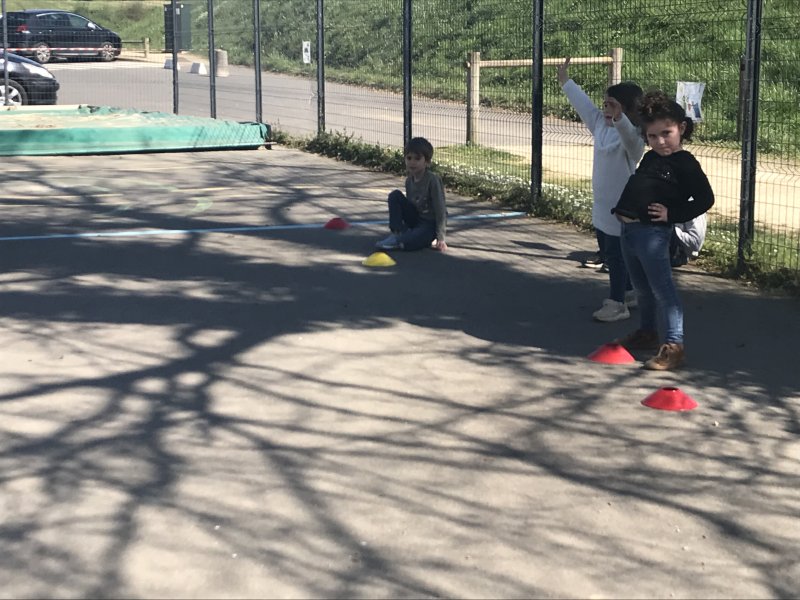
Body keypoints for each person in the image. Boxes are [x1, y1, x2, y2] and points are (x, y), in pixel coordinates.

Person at [612, 90, 715, 370]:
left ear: (681, 128)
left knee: (663, 291)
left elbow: (705, 199)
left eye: (666, 133)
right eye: (652, 136)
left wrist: (673, 214)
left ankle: (674, 345)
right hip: (629, 233)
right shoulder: (651, 157)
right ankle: (647, 332)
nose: (660, 141)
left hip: (653, 235)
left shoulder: (685, 163)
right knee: (642, 290)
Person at [557, 58, 644, 322]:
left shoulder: (633, 137)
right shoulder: (599, 126)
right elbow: (583, 104)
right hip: (601, 207)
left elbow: (632, 142)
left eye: (614, 105)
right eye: (605, 104)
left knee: (616, 258)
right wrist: (566, 81)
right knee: (609, 252)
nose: (606, 109)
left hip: (622, 210)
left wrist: (619, 119)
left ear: (627, 111)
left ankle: (617, 304)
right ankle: (629, 291)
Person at [375, 137, 448, 252]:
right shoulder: (409, 181)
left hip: (429, 224)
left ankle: (410, 239)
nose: (412, 162)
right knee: (395, 195)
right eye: (409, 158)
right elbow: (411, 207)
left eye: (417, 159)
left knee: (408, 243)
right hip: (417, 219)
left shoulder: (432, 180)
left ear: (427, 162)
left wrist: (441, 237)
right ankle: (397, 233)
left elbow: (441, 210)